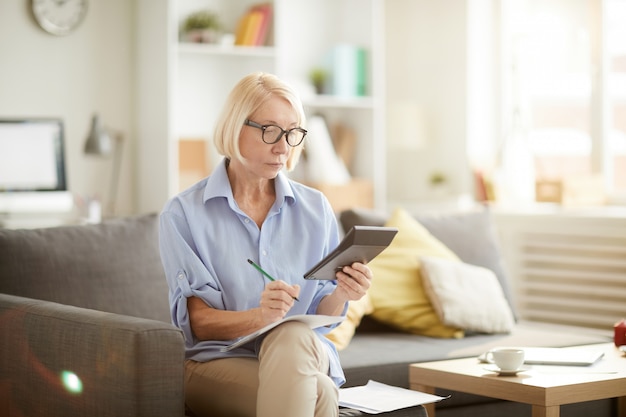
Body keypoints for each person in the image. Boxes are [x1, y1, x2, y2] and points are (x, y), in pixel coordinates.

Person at [159, 72, 373, 417]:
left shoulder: (316, 208)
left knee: (290, 337)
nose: (283, 147)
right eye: (270, 130)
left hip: (301, 352)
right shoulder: (184, 213)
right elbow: (197, 322)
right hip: (216, 363)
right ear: (234, 126)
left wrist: (342, 294)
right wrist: (261, 316)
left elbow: (324, 316)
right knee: (319, 392)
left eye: (292, 133)